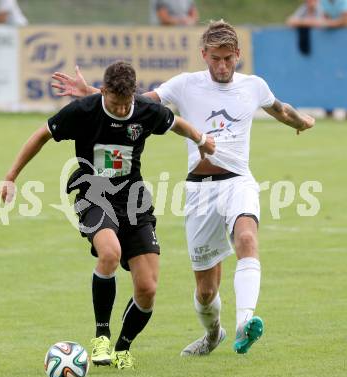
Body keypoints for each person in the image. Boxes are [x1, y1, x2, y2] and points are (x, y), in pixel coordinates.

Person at [51, 20, 315, 357]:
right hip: (200, 192)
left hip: (238, 182)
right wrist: (91, 93)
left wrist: (303, 122)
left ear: (238, 55)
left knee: (247, 239)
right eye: (215, 58)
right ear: (203, 54)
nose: (222, 65)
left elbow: (279, 108)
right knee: (206, 292)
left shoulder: (254, 86)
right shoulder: (185, 85)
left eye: (228, 59)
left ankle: (244, 323)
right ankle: (212, 334)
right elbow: (137, 104)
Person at [1, 61, 215, 369]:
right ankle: (101, 335)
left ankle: (122, 349)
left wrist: (201, 139)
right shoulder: (83, 111)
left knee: (148, 288)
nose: (121, 108)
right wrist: (11, 176)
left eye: (127, 102)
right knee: (110, 253)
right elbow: (41, 135)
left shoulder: (144, 110)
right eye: (115, 103)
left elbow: (175, 123)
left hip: (134, 202)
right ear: (103, 92)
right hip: (93, 194)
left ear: (133, 94)